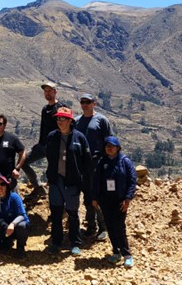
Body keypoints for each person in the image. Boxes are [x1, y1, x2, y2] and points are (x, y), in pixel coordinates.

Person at [45, 107, 92, 256]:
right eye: (58, 119)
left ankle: (75, 243)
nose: (60, 121)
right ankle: (56, 242)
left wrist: (83, 179)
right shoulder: (52, 136)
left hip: (72, 182)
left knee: (72, 213)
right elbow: (49, 156)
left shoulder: (80, 138)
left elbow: (87, 161)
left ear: (70, 121)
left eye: (63, 119)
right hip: (55, 180)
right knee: (56, 213)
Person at [92, 136, 137, 268]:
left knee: (119, 226)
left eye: (112, 146)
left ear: (118, 148)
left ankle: (127, 254)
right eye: (107, 146)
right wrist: (95, 198)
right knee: (110, 226)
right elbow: (96, 181)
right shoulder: (102, 162)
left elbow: (132, 180)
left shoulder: (125, 162)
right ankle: (116, 252)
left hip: (120, 200)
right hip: (106, 201)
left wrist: (128, 198)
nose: (109, 148)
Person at [75, 93, 113, 241]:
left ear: (94, 103)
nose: (85, 104)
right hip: (82, 164)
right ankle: (91, 226)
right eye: (82, 102)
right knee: (87, 196)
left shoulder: (101, 120)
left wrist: (109, 161)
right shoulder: (77, 121)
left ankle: (103, 227)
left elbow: (109, 141)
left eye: (88, 102)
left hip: (97, 162)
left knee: (99, 195)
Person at [21, 81, 67, 195]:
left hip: (55, 146)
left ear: (55, 92)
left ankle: (56, 195)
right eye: (45, 91)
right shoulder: (45, 109)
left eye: (50, 91)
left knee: (53, 171)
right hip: (42, 145)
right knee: (24, 162)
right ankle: (37, 186)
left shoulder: (61, 108)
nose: (47, 93)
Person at [0, 175, 30, 259]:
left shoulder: (14, 197)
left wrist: (12, 224)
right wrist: (1, 223)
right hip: (3, 226)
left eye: (3, 184)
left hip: (15, 226)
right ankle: (4, 242)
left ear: (7, 186)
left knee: (22, 226)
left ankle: (20, 248)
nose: (0, 186)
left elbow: (22, 215)